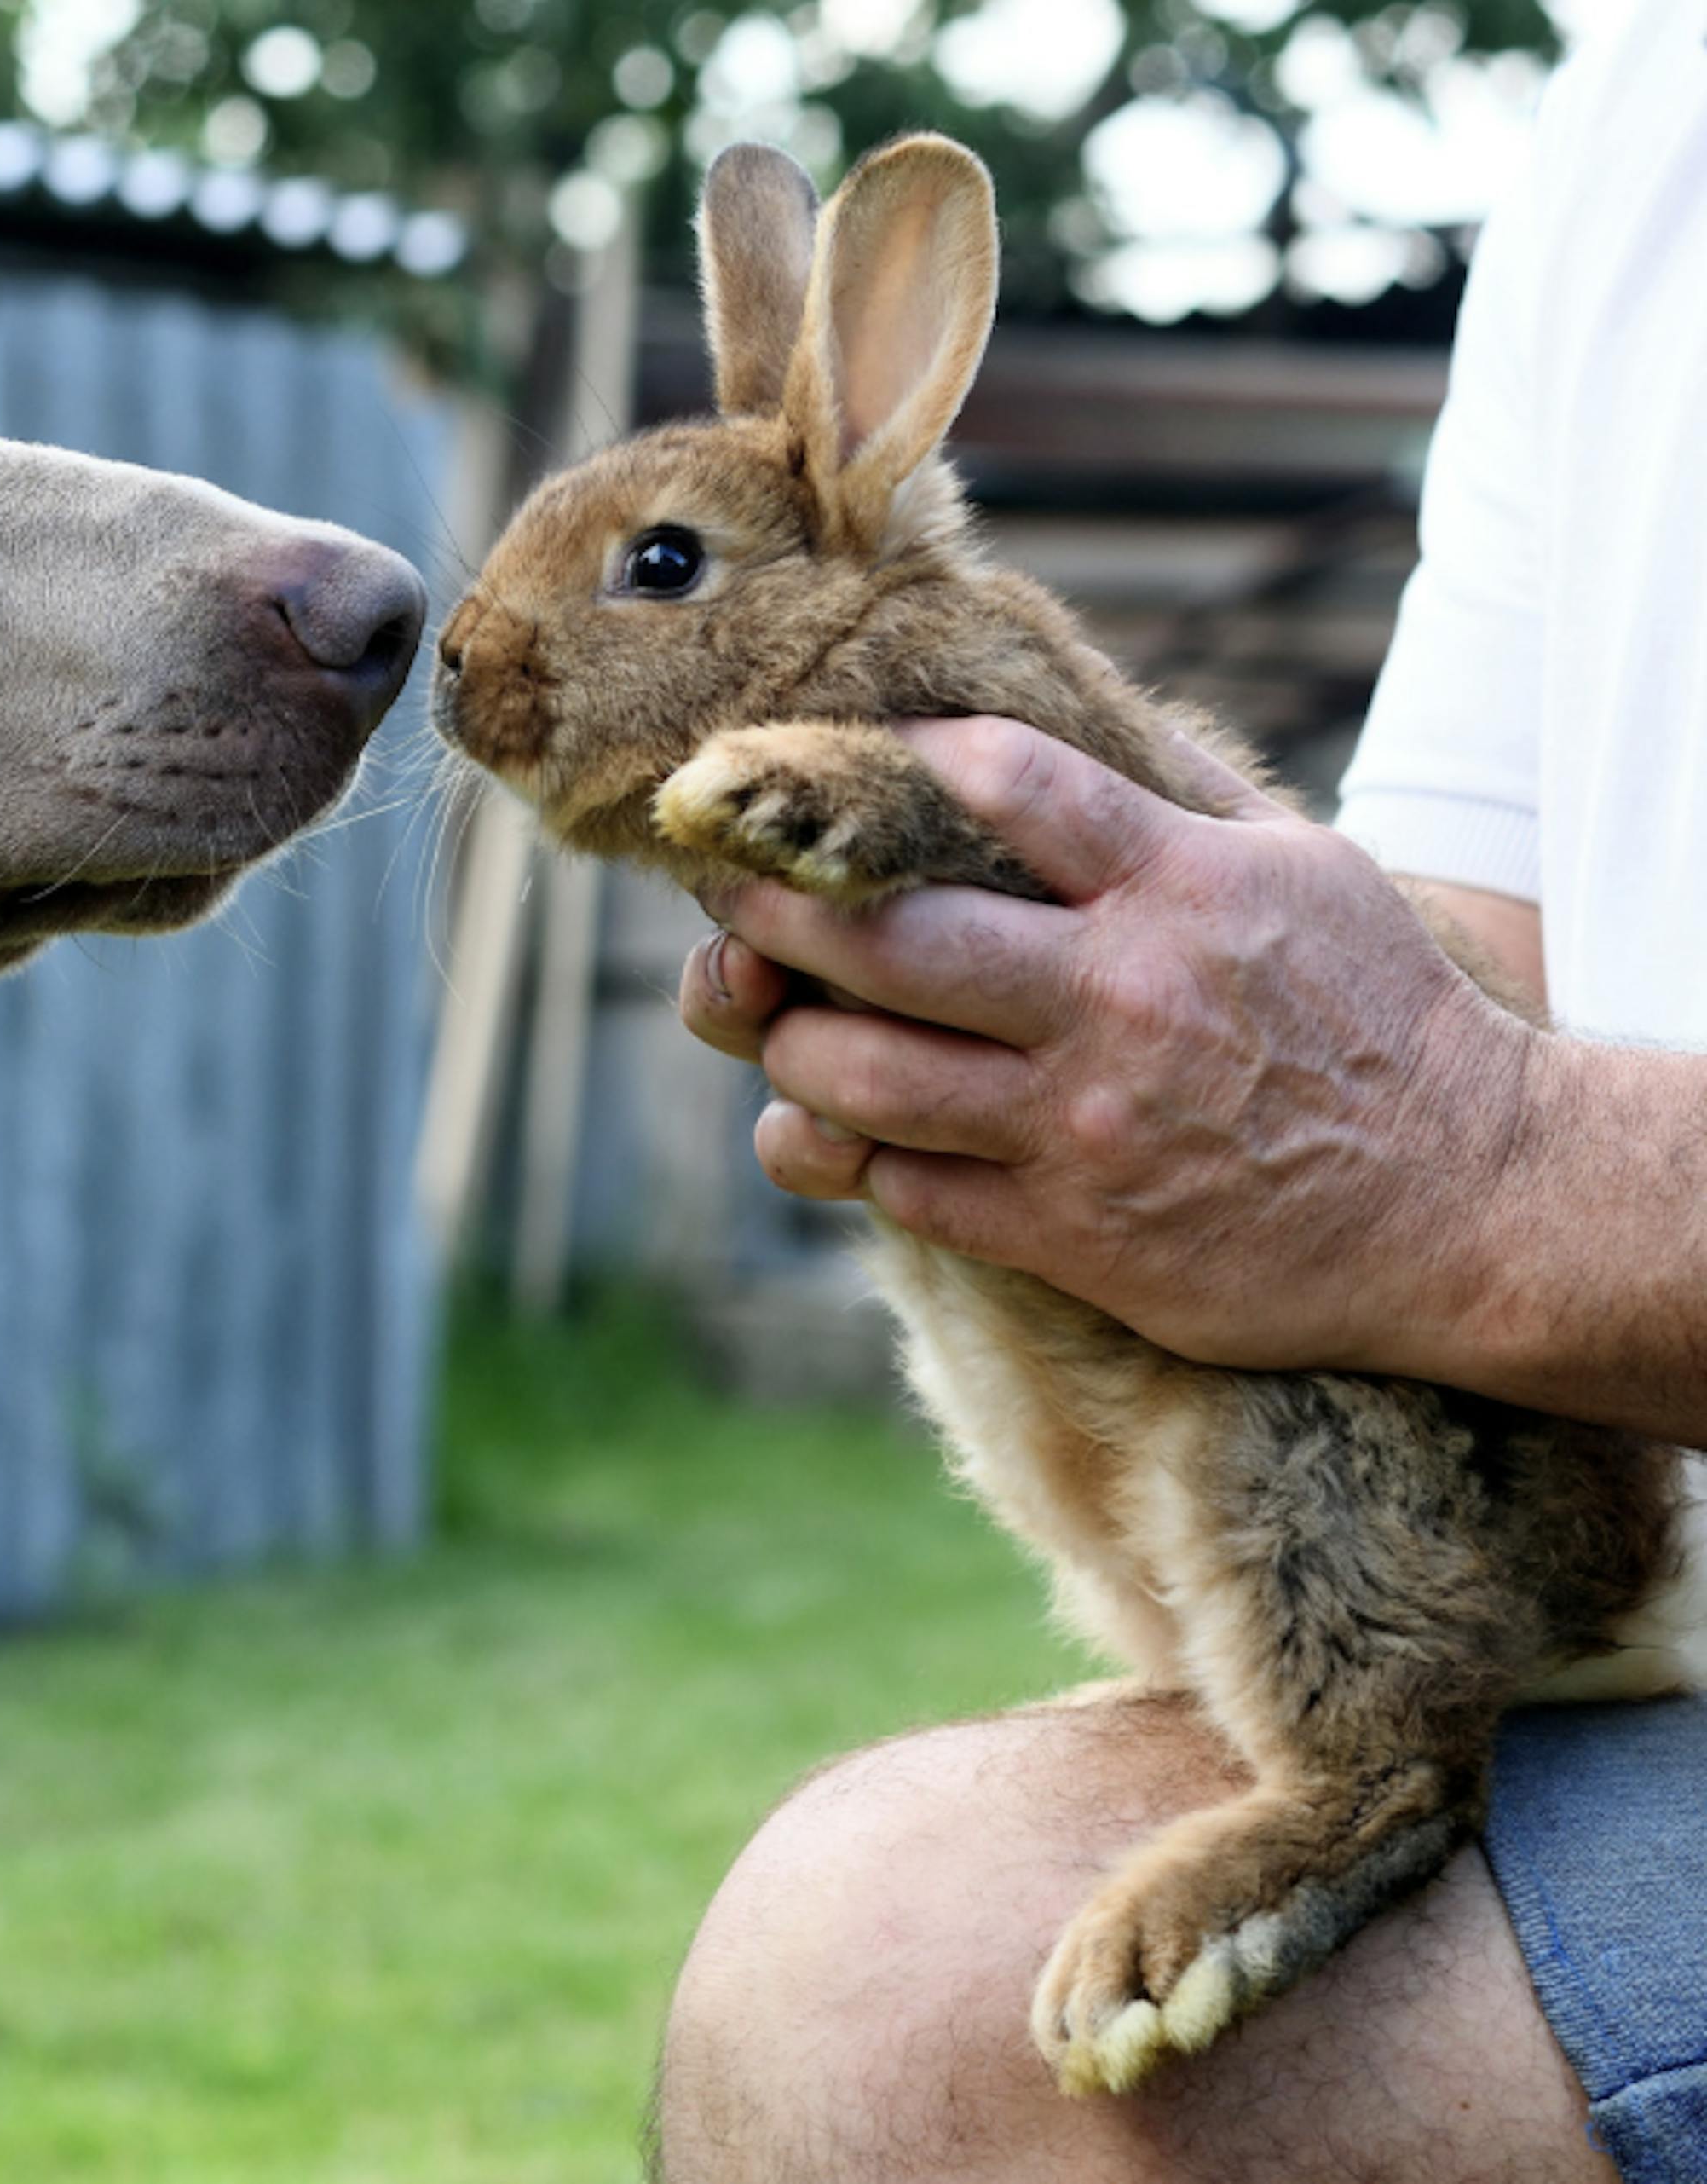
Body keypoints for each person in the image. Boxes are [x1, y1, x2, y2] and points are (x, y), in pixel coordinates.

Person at [647, 2, 1707, 2176]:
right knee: (878, 1949)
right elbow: (1453, 938)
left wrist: (1481, 1167)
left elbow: (1445, 1105)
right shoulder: (1635, 102)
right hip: (1617, 1608)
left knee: (908, 2019)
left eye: (661, 579)